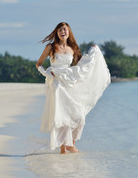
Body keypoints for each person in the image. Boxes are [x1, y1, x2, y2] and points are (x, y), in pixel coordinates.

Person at [36, 22, 111, 154]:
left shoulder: (73, 48)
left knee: (79, 115)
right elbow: (39, 64)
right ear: (56, 32)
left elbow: (83, 66)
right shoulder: (51, 47)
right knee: (61, 114)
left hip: (68, 82)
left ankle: (71, 144)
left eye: (64, 29)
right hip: (56, 83)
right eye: (59, 30)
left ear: (69, 32)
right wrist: (47, 73)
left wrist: (94, 52)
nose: (62, 32)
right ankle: (63, 149)